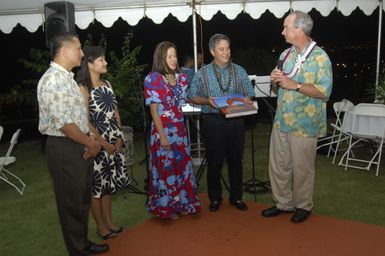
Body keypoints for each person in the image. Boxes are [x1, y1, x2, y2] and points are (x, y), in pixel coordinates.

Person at [37, 33, 109, 255]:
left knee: (81, 199)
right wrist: (93, 143)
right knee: (70, 203)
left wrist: (88, 142)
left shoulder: (67, 78)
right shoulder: (53, 81)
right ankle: (77, 250)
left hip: (78, 143)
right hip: (65, 146)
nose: (82, 53)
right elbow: (66, 125)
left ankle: (82, 242)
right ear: (64, 50)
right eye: (78, 49)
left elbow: (77, 118)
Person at [261, 11, 333, 223]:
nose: (282, 31)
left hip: (305, 125)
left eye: (286, 27)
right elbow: (277, 88)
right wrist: (274, 81)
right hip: (282, 120)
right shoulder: (285, 55)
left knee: (302, 169)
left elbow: (324, 92)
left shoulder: (320, 57)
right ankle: (283, 203)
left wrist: (297, 85)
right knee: (279, 165)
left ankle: (303, 206)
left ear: (300, 30)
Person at [189, 34, 255, 212]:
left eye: (228, 48)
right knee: (215, 161)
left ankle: (237, 197)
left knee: (236, 161)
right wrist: (206, 101)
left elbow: (249, 92)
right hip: (213, 121)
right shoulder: (202, 73)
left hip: (236, 120)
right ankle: (215, 198)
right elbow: (191, 96)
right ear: (212, 51)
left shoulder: (239, 71)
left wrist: (242, 102)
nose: (226, 52)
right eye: (222, 49)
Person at [76, 46, 130, 240]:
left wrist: (119, 137)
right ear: (89, 64)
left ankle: (109, 222)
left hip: (113, 141)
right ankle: (100, 226)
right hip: (96, 144)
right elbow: (85, 121)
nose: (105, 63)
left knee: (108, 185)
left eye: (104, 59)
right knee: (97, 188)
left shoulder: (107, 83)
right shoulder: (83, 88)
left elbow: (115, 112)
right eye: (101, 60)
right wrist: (103, 143)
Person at [144, 41, 201, 220]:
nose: (174, 59)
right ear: (161, 58)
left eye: (175, 56)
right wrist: (163, 137)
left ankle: (183, 203)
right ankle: (167, 207)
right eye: (169, 56)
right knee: (166, 170)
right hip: (163, 132)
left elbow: (183, 103)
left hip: (180, 130)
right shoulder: (152, 79)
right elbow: (154, 111)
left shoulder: (182, 78)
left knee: (182, 167)